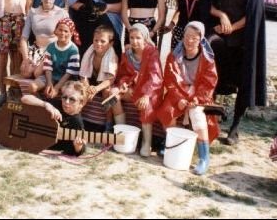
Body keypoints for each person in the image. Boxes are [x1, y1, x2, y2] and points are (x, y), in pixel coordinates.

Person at [203, 0, 266, 146]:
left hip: (242, 40)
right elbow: (207, 3)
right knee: (209, 62)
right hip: (221, 35)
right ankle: (210, 120)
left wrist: (233, 27)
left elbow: (254, 13)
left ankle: (235, 128)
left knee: (243, 82)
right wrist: (221, 16)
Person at [156, 21, 219, 175]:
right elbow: (170, 80)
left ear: (201, 39)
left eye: (194, 38)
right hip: (178, 92)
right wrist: (179, 99)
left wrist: (197, 99)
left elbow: (209, 83)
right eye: (187, 36)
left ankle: (204, 158)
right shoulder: (174, 56)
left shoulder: (207, 59)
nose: (190, 41)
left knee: (197, 114)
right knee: (168, 110)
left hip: (199, 94)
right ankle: (172, 144)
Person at [111, 23, 163, 157]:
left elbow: (155, 77)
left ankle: (147, 142)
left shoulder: (152, 52)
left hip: (149, 91)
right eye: (132, 38)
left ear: (145, 38)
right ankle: (122, 133)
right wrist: (124, 85)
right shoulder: (127, 54)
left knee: (146, 104)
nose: (134, 41)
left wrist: (146, 95)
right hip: (133, 89)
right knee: (113, 96)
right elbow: (122, 74)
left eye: (138, 38)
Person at [18, 0, 69, 90]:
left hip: (52, 51)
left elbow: (67, 38)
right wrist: (26, 58)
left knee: (37, 73)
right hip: (36, 50)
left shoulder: (61, 13)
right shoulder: (33, 12)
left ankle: (46, 83)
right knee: (26, 72)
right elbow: (24, 38)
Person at [79, 25, 119, 132]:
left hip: (105, 84)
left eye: (102, 41)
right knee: (80, 88)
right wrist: (87, 87)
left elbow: (110, 80)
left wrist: (96, 89)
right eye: (96, 40)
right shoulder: (89, 53)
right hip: (92, 82)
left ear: (110, 43)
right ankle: (77, 118)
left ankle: (109, 122)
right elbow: (83, 75)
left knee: (107, 92)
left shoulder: (113, 57)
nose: (98, 43)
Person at [32, 18, 81, 98]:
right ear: (56, 31)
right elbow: (48, 67)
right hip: (52, 76)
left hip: (67, 79)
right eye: (60, 30)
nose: (62, 33)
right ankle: (40, 102)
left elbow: (69, 73)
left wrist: (56, 88)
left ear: (71, 33)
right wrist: (49, 83)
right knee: (32, 87)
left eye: (66, 31)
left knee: (67, 92)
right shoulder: (51, 47)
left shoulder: (73, 50)